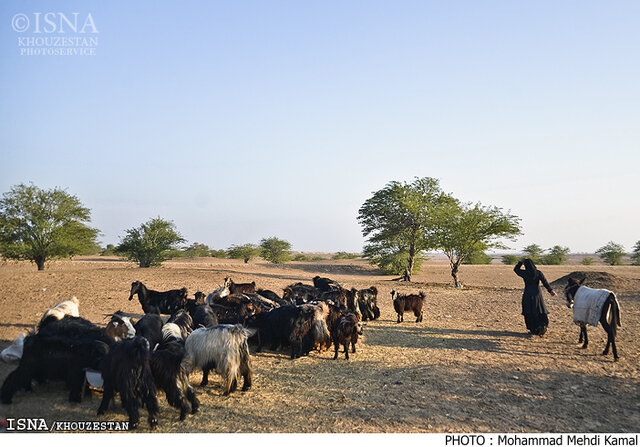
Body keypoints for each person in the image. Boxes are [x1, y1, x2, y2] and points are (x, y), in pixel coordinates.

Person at [514, 258, 557, 336]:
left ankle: (532, 329)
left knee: (529, 311)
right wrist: (551, 291)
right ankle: (541, 326)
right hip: (537, 294)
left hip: (527, 294)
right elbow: (545, 282)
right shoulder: (538, 273)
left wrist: (520, 262)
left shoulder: (524, 273)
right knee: (538, 310)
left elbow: (516, 269)